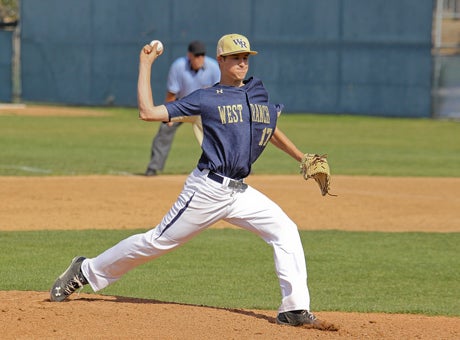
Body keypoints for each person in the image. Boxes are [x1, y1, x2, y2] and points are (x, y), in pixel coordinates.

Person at [50, 33, 333, 329]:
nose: (242, 63)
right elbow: (148, 113)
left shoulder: (257, 93)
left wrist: (302, 158)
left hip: (240, 192)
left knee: (285, 230)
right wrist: (145, 64)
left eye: (245, 57)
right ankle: (86, 269)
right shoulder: (206, 98)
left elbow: (269, 127)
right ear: (220, 61)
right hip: (208, 189)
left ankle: (294, 309)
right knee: (157, 242)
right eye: (235, 57)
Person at [145, 40, 220, 176]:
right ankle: (153, 167)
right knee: (165, 130)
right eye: (196, 55)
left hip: (206, 107)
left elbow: (220, 93)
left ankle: (230, 166)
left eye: (202, 55)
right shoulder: (179, 66)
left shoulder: (213, 67)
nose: (199, 59)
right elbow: (172, 94)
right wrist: (168, 116)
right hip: (183, 105)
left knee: (222, 133)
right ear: (189, 55)